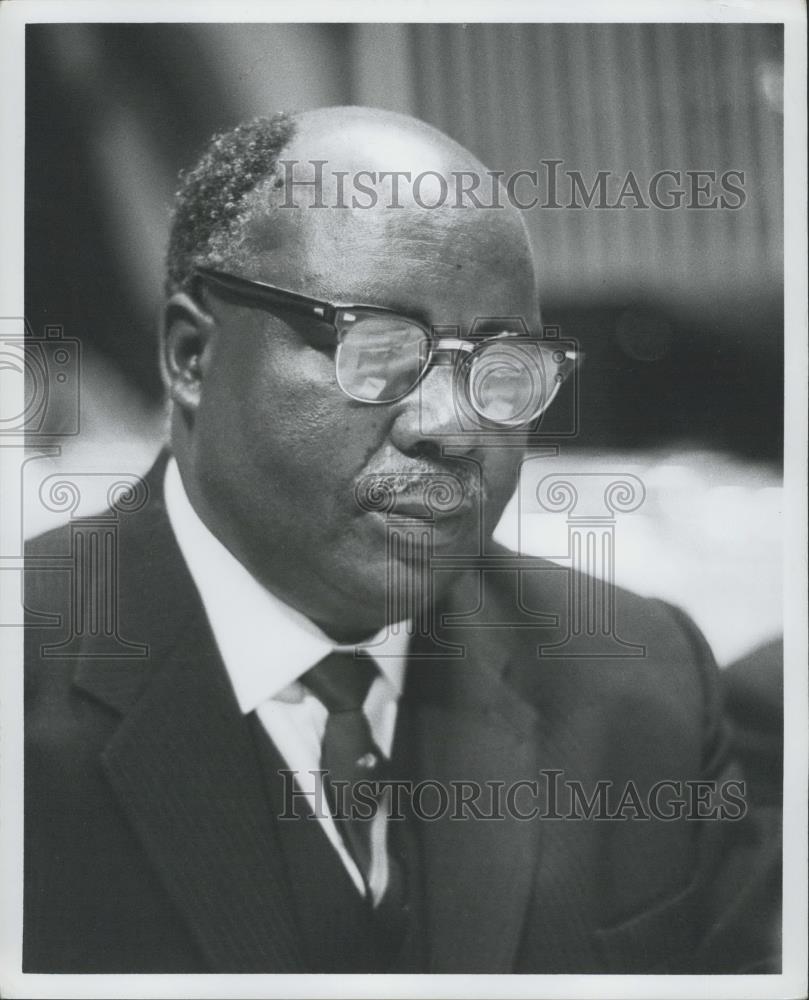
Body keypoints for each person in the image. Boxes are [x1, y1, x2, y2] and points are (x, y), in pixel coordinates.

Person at [23, 106, 780, 974]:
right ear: (192, 354)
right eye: (378, 352)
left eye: (500, 369)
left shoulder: (640, 695)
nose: (452, 427)